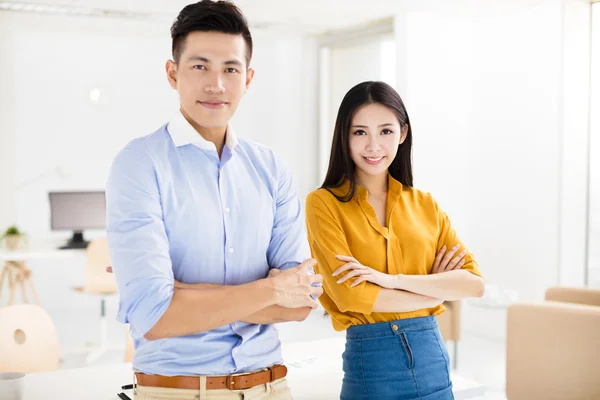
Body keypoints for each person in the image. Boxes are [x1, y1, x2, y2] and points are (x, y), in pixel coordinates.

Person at [105, 1, 322, 399]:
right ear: (173, 73)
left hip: (272, 387)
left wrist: (183, 293)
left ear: (248, 78)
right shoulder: (139, 165)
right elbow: (154, 316)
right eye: (200, 66)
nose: (216, 84)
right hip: (179, 391)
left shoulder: (270, 168)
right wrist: (272, 289)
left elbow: (301, 302)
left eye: (230, 69)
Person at [304, 81, 485, 400]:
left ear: (402, 133)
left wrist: (391, 281)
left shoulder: (425, 204)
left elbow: (473, 284)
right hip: (373, 363)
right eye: (360, 132)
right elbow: (351, 297)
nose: (373, 145)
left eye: (385, 131)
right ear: (344, 137)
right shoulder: (323, 204)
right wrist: (433, 291)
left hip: (433, 356)